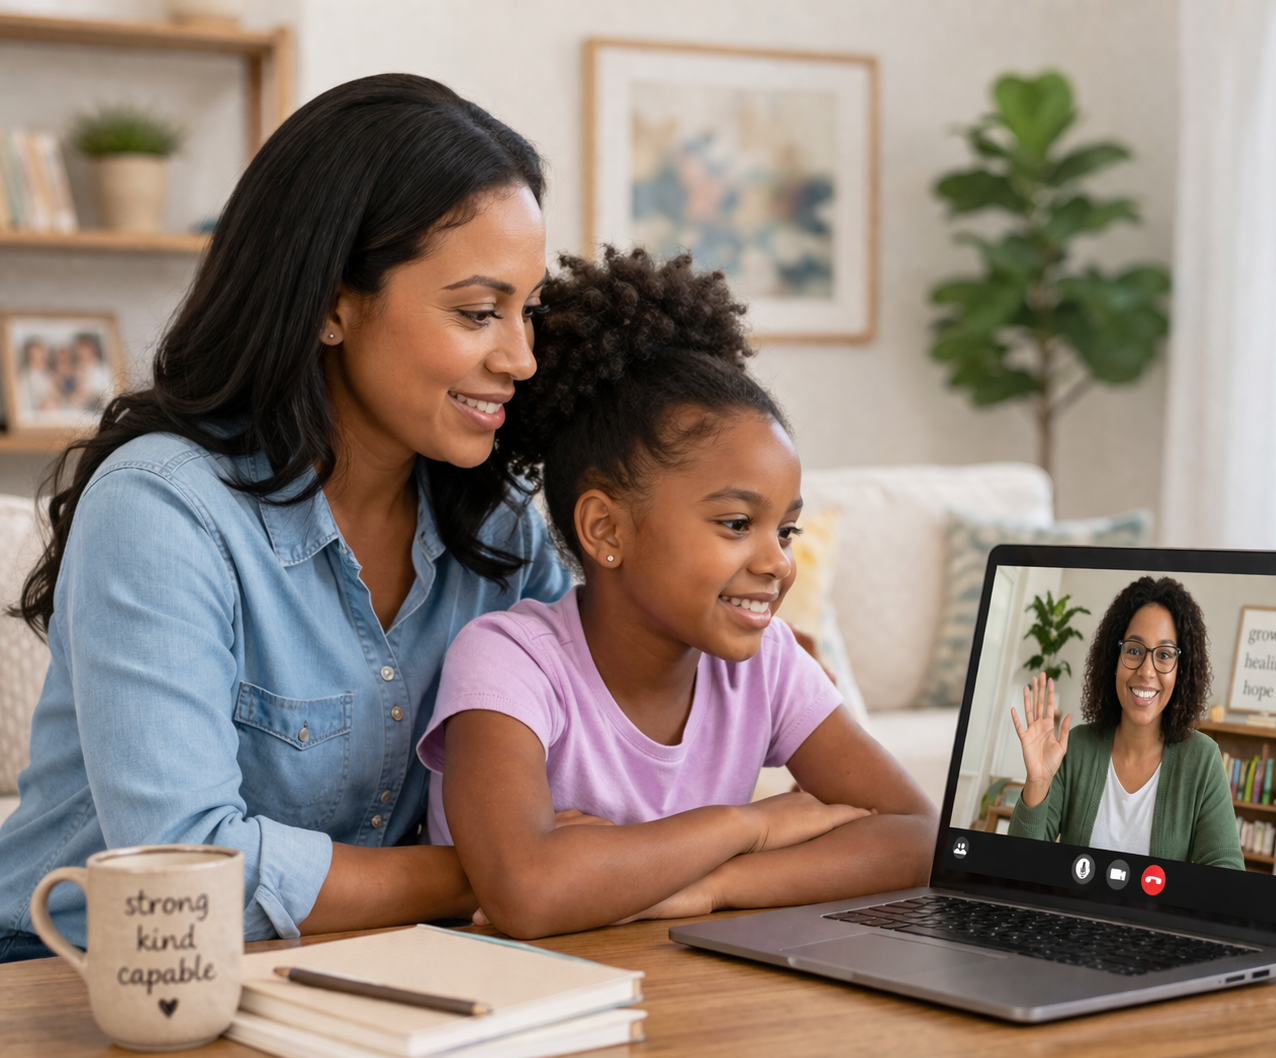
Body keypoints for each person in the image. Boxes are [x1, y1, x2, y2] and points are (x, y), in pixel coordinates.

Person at [0, 74, 572, 963]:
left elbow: (589, 788)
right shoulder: (163, 508)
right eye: (476, 312)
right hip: (79, 977)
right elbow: (187, 870)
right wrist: (498, 872)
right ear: (332, 304)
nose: (521, 357)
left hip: (369, 961)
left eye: (527, 311)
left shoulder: (499, 532)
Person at [415, 249, 939, 940]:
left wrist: (716, 885)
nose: (777, 562)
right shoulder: (508, 662)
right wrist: (747, 823)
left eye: (784, 529)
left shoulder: (767, 664)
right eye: (734, 524)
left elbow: (918, 836)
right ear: (605, 528)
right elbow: (528, 892)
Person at [1006, 576, 1244, 869]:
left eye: (1165, 655)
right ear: (1113, 659)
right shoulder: (1075, 747)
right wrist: (1038, 783)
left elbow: (1227, 875)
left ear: (1182, 671)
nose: (1146, 670)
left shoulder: (1203, 760)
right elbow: (1018, 867)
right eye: (1133, 650)